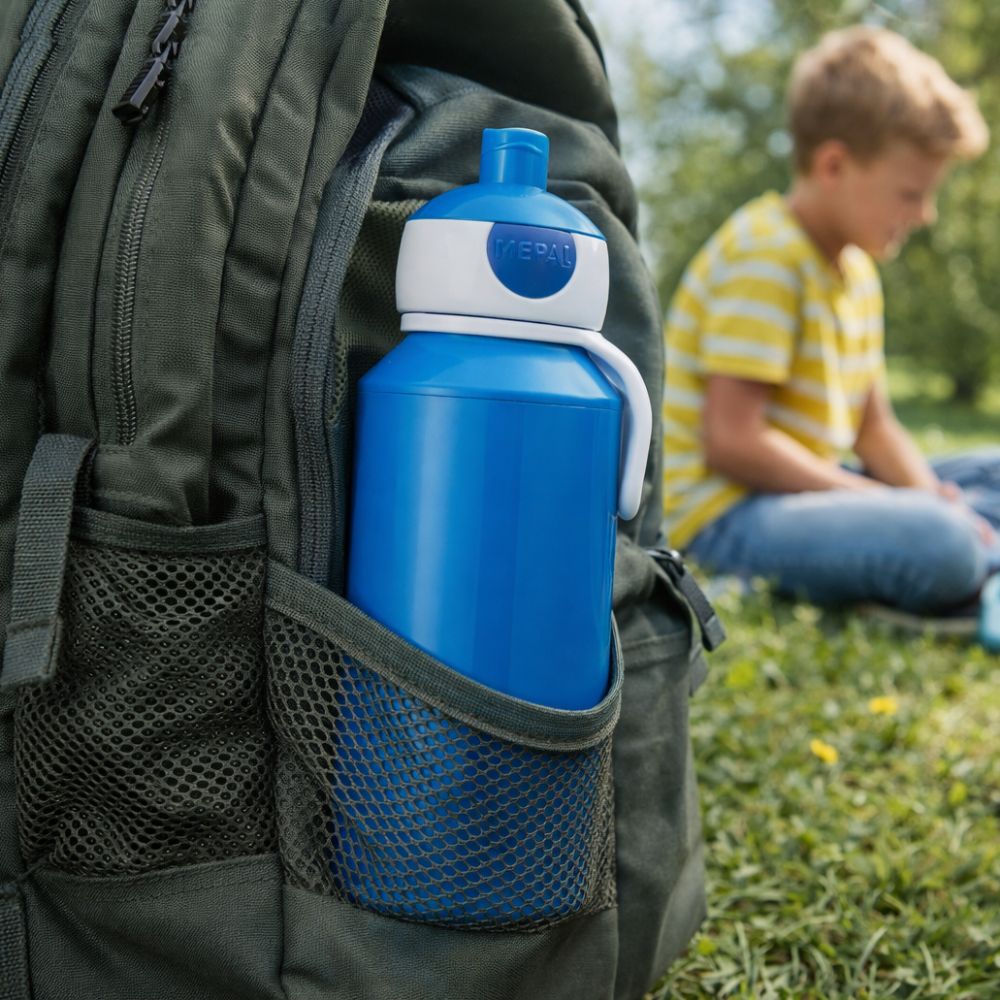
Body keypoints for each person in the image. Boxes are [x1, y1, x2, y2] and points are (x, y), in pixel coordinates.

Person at [661, 25, 1000, 629]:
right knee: (943, 544)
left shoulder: (856, 271)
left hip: (809, 494)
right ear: (834, 164)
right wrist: (897, 506)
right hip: (728, 517)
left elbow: (873, 427)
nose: (924, 214)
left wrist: (924, 493)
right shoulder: (767, 255)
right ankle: (950, 552)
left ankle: (953, 542)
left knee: (981, 483)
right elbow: (733, 442)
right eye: (910, 193)